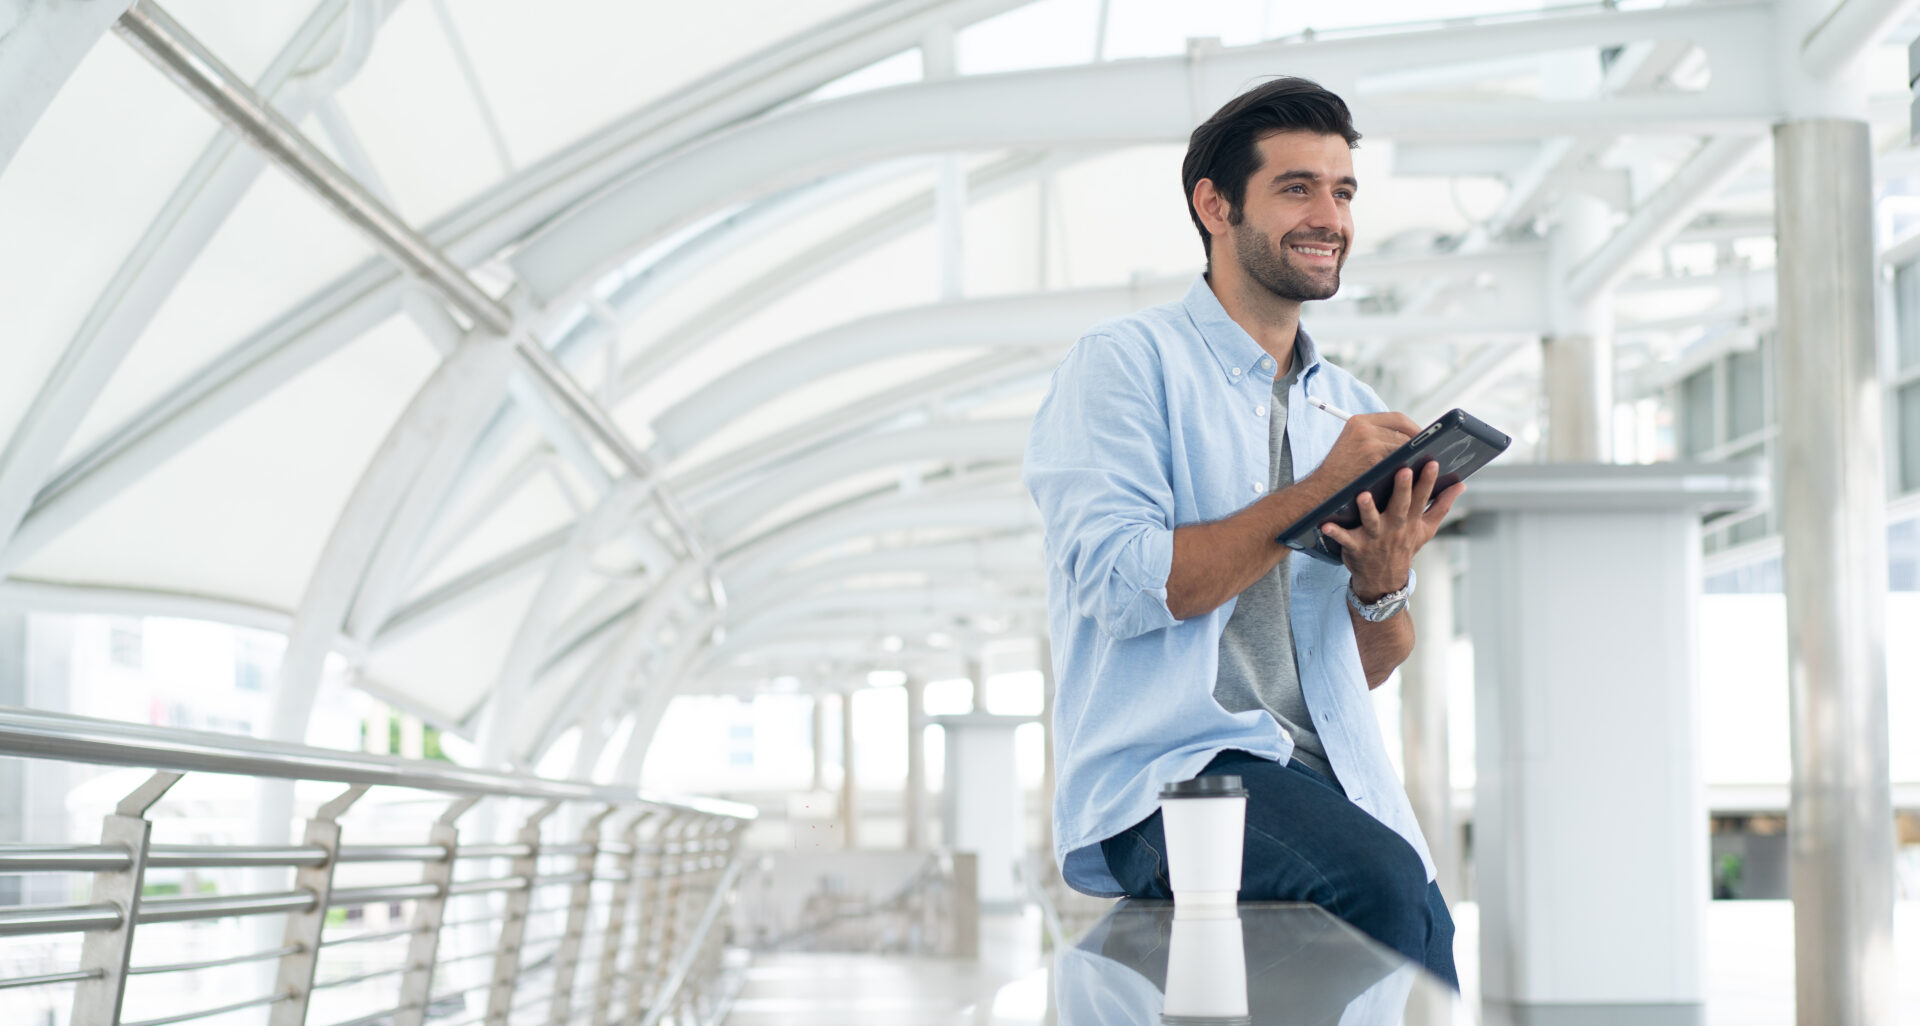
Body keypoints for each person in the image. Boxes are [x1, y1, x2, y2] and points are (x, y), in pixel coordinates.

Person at [1022, 76, 1465, 987]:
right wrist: (1315, 490)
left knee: (1425, 928)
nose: (1329, 216)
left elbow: (1372, 662)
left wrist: (1382, 580)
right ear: (1214, 205)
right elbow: (1132, 584)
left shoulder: (1351, 408)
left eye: (1343, 192)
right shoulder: (1124, 367)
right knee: (1374, 887)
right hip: (1175, 775)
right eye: (1296, 188)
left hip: (1325, 777)